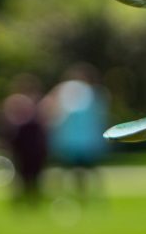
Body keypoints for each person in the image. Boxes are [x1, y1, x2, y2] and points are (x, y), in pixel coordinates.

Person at [42, 65, 109, 196]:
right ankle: (70, 194)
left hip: (79, 141)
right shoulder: (89, 93)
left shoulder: (88, 93)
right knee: (73, 170)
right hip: (75, 140)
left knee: (80, 170)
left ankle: (75, 194)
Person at [0, 75, 48, 203]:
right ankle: (24, 198)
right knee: (20, 174)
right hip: (21, 144)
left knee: (33, 174)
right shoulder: (15, 102)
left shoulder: (37, 104)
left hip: (32, 144)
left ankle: (32, 198)